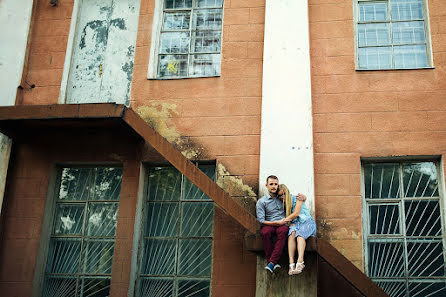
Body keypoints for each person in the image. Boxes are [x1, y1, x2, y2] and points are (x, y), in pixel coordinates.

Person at [278, 184, 316, 275]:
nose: (282, 197)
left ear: (287, 193)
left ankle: (300, 262)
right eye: (279, 195)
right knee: (291, 235)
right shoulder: (280, 204)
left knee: (299, 235)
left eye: (283, 194)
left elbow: (296, 213)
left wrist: (284, 220)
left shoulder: (297, 198)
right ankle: (291, 264)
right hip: (295, 224)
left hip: (306, 222)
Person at [256, 175, 289, 273]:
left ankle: (271, 262)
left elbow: (294, 201)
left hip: (282, 225)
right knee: (265, 232)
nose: (274, 186)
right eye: (271, 184)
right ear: (266, 186)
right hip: (269, 224)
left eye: (275, 184)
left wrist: (303, 197)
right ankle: (274, 262)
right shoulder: (261, 202)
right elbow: (261, 220)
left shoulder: (282, 197)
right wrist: (276, 223)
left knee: (283, 231)